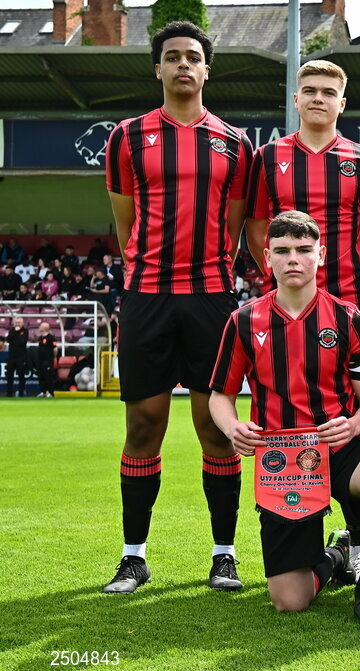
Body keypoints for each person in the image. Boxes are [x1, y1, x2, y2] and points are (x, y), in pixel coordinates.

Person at [102, 21, 253, 594]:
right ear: (158, 69)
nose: (184, 65)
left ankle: (223, 554)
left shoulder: (234, 143)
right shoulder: (127, 136)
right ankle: (133, 557)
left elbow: (236, 226)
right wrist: (150, 270)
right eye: (173, 57)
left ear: (206, 70)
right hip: (147, 295)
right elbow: (124, 222)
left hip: (212, 299)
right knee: (144, 425)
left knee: (216, 430)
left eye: (194, 57)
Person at [209, 210, 360, 631]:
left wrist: (354, 426)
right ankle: (336, 557)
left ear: (320, 254)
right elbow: (220, 397)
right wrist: (233, 428)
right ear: (267, 258)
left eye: (303, 250)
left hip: (338, 446)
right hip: (283, 462)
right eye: (282, 251)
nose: (293, 259)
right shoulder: (244, 321)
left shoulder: (347, 318)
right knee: (290, 601)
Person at [246, 60, 360, 317]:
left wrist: (351, 270)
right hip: (282, 295)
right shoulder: (268, 156)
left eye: (328, 93)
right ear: (296, 100)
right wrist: (280, 267)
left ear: (341, 105)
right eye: (310, 91)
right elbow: (255, 231)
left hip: (346, 295)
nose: (318, 98)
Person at [5, 316, 29, 397]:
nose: (17, 324)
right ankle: (9, 393)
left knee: (21, 376)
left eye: (19, 322)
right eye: (16, 322)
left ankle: (21, 393)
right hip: (11, 357)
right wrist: (15, 332)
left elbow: (22, 342)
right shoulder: (12, 330)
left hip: (21, 357)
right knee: (9, 375)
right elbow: (8, 339)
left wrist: (18, 333)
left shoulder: (25, 331)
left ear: (22, 323)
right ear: (13, 323)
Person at [36, 321, 58, 397]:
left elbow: (55, 349)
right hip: (40, 360)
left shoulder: (51, 338)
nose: (39, 327)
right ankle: (43, 392)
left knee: (48, 377)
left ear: (44, 328)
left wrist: (53, 358)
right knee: (41, 376)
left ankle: (51, 392)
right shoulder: (40, 338)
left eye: (40, 326)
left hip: (48, 361)